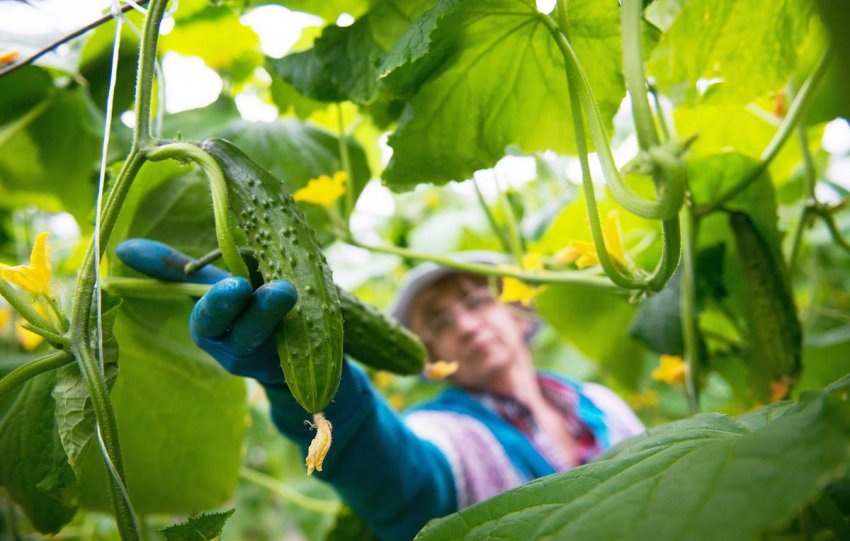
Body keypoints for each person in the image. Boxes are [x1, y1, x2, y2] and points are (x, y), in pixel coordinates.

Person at [116, 240, 644, 541]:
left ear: (515, 310)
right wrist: (302, 378)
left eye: (476, 300)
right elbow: (393, 474)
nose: (463, 324)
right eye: (437, 321)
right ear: (427, 354)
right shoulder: (449, 433)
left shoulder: (603, 403)